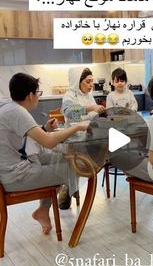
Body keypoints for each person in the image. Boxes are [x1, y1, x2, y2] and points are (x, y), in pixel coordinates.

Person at [0, 73, 88, 234]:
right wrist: (77, 126)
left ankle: (44, 209)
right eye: (38, 93)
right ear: (30, 95)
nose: (39, 97)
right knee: (72, 165)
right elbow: (48, 141)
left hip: (13, 168)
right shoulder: (18, 112)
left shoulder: (9, 108)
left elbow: (25, 133)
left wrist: (44, 129)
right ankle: (52, 206)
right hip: (16, 175)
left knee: (62, 158)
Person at [59, 67, 105, 209]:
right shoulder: (69, 96)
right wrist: (90, 108)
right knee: (75, 162)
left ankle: (73, 185)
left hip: (89, 137)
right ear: (77, 82)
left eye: (92, 81)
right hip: (73, 138)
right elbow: (69, 114)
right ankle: (68, 188)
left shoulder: (88, 95)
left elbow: (92, 117)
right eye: (88, 81)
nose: (91, 85)